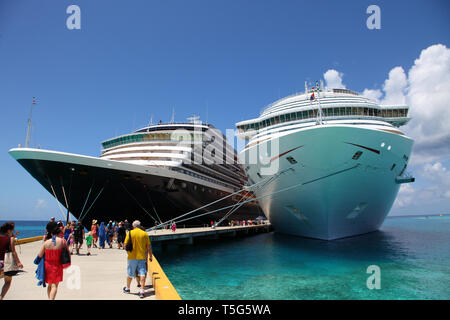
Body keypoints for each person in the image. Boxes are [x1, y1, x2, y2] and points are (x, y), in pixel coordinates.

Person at [123, 220, 152, 298]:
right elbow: (148, 247)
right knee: (142, 273)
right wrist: (150, 256)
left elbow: (125, 245)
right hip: (141, 257)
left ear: (133, 226)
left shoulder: (130, 233)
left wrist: (128, 253)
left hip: (132, 257)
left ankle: (128, 288)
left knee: (130, 273)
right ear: (140, 226)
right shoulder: (144, 233)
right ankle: (142, 290)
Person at [37, 222, 66, 300]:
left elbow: (39, 255)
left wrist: (36, 262)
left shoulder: (46, 242)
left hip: (47, 265)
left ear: (52, 234)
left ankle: (49, 298)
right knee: (54, 286)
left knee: (50, 285)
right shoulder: (62, 241)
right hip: (57, 265)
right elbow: (65, 255)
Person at [0, 222, 24, 300]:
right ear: (8, 231)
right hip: (5, 263)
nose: (12, 232)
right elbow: (13, 251)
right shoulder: (11, 239)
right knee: (7, 282)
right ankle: (1, 297)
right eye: (12, 230)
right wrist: (18, 262)